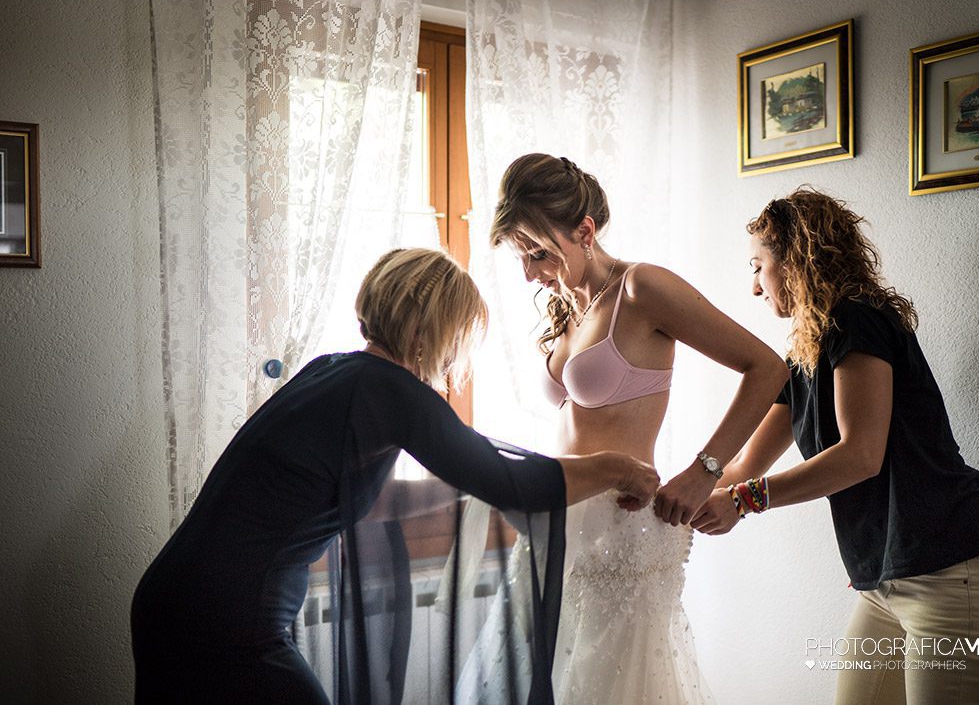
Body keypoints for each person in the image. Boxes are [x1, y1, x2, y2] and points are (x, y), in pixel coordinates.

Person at [130, 248, 660, 704]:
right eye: (457, 335)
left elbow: (380, 502)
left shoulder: (335, 370)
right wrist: (615, 468)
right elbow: (515, 483)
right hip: (228, 622)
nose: (455, 355)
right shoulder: (390, 390)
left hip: (175, 599)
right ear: (424, 328)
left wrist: (466, 496)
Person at [691, 188, 979, 704]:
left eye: (758, 266)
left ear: (795, 260)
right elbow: (742, 463)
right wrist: (671, 498)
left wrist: (745, 500)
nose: (754, 287)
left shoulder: (857, 319)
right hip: (886, 588)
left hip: (954, 577)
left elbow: (859, 455)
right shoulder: (803, 357)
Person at [481, 154, 789, 704]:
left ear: (585, 231)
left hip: (622, 536)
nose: (529, 272)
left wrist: (705, 472)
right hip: (559, 526)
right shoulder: (565, 308)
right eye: (520, 256)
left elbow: (767, 369)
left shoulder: (641, 289)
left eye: (537, 252)